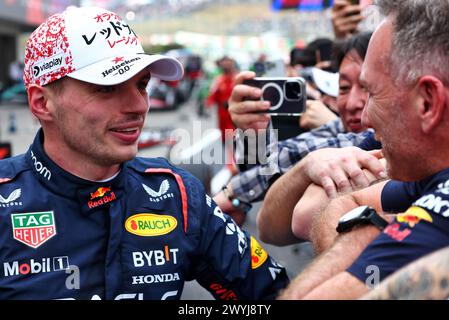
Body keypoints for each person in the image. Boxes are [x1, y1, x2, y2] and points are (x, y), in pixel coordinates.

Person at [0, 6, 289, 300]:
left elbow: (273, 293)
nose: (139, 106)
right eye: (107, 87)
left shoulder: (177, 193)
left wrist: (256, 138)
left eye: (141, 85)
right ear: (41, 103)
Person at [279, 0, 449, 299]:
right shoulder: (429, 169)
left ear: (428, 102)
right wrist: (369, 227)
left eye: (372, 92)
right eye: (345, 88)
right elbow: (332, 207)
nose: (365, 116)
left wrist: (367, 229)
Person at [214, 32, 376, 225]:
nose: (351, 103)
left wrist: (233, 193)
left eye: (366, 86)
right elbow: (268, 163)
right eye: (343, 87)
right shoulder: (333, 125)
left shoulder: (371, 137)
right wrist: (254, 132)